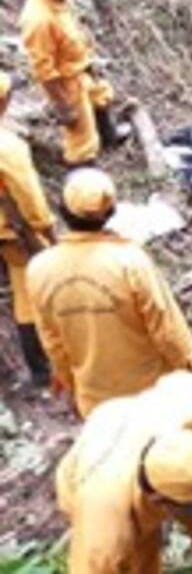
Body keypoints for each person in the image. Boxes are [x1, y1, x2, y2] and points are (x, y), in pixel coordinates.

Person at [28, 167, 192, 417]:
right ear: (111, 212)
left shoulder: (39, 269)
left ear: (62, 211)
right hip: (152, 398)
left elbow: (52, 343)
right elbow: (167, 329)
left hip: (96, 403)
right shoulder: (130, 262)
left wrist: (71, 386)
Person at [56, 370, 192, 573]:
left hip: (130, 424)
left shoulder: (187, 409)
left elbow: (186, 379)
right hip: (91, 477)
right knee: (139, 563)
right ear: (161, 501)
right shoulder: (105, 530)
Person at [19, 0, 130, 167]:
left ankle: (108, 136)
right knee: (81, 136)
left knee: (101, 96)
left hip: (82, 67)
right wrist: (63, 106)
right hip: (66, 81)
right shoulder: (37, 20)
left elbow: (73, 31)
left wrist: (89, 60)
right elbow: (43, 71)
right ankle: (84, 173)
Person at [0, 71, 57, 388]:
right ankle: (41, 370)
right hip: (9, 231)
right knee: (28, 293)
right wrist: (45, 228)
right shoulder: (8, 148)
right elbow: (29, 197)